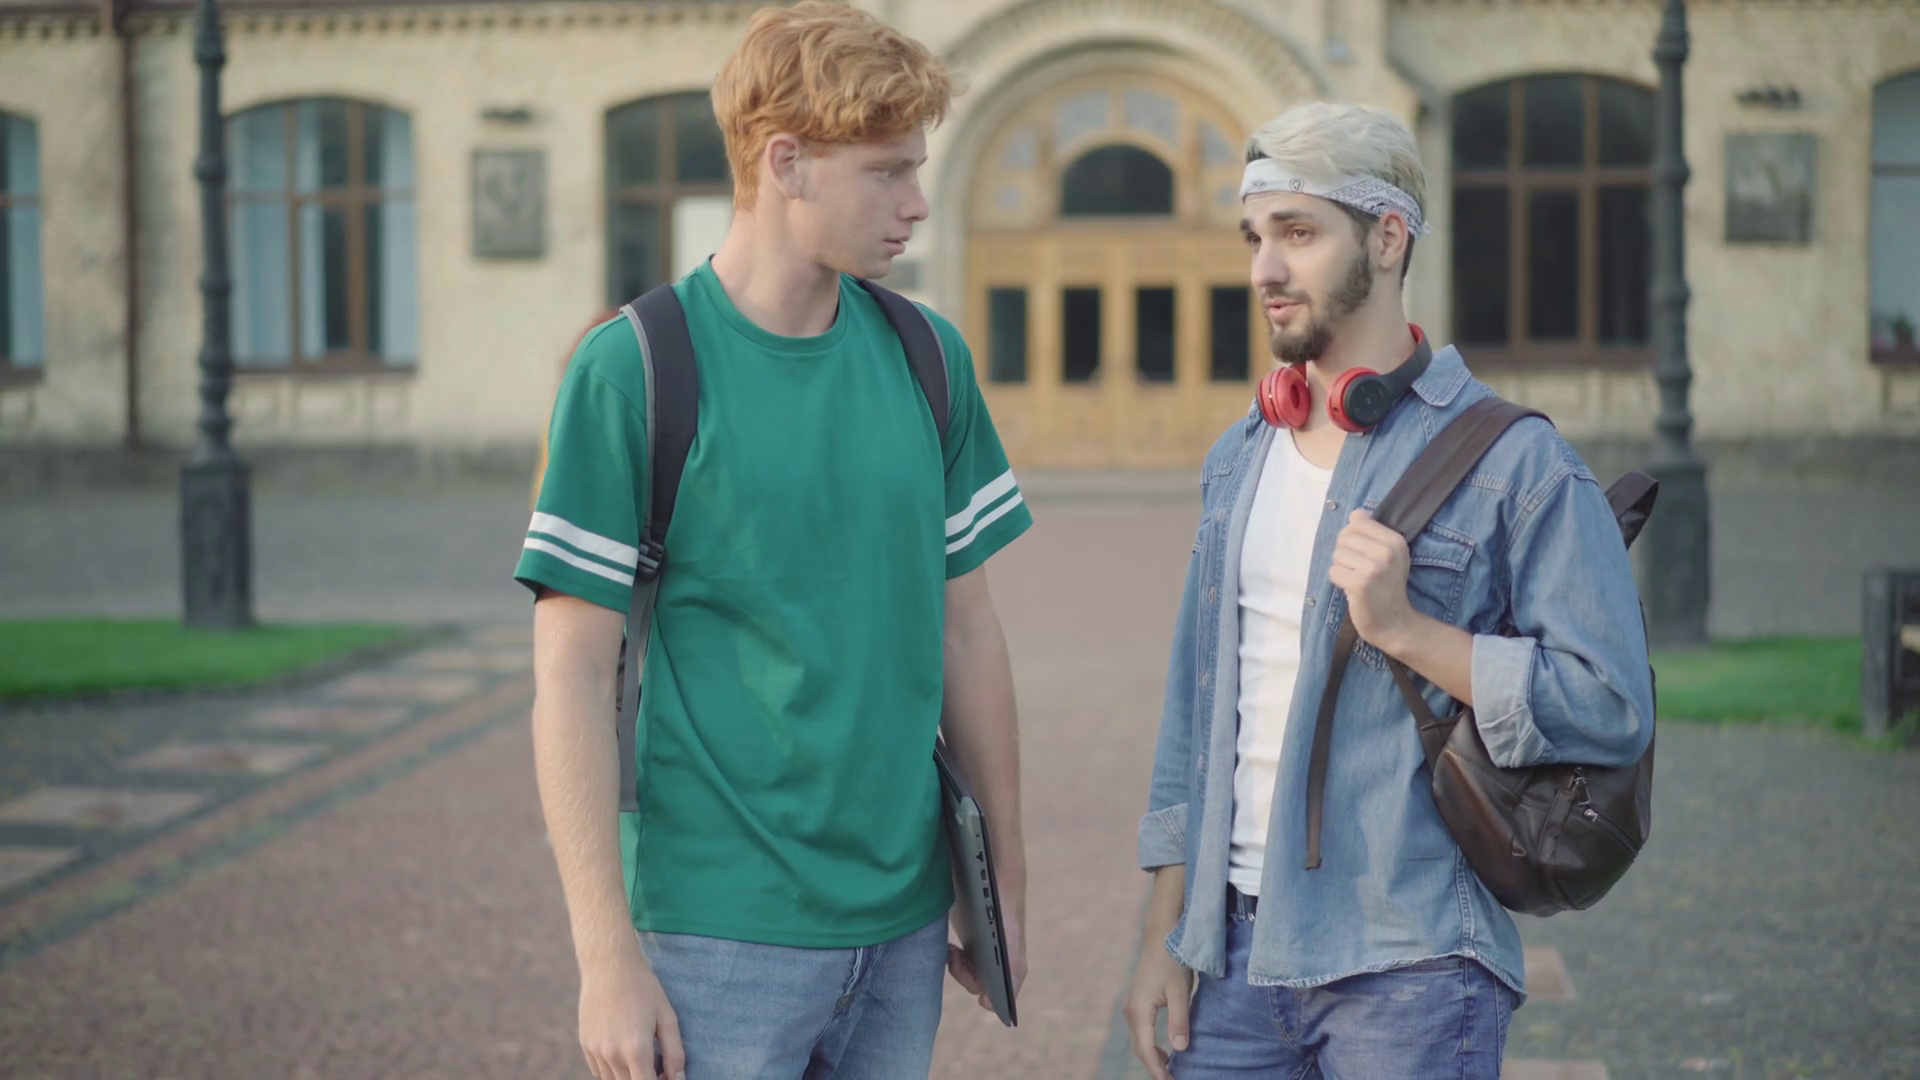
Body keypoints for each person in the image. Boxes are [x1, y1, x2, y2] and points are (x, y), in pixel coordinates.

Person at [514, 4, 1032, 1078]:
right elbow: (569, 677)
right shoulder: (634, 370)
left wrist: (1000, 895)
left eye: (918, 169)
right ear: (786, 163)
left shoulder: (928, 357)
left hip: (900, 925)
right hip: (714, 932)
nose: (917, 204)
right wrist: (606, 958)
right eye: (888, 172)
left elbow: (970, 637)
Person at [1123, 101, 1655, 1079]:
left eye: (1297, 233)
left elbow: (1612, 705)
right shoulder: (1239, 458)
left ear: (1388, 235)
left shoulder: (1517, 463)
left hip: (1409, 962)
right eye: (1254, 237)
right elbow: (1194, 713)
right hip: (1233, 963)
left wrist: (1408, 630)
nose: (1263, 270)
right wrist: (1165, 932)